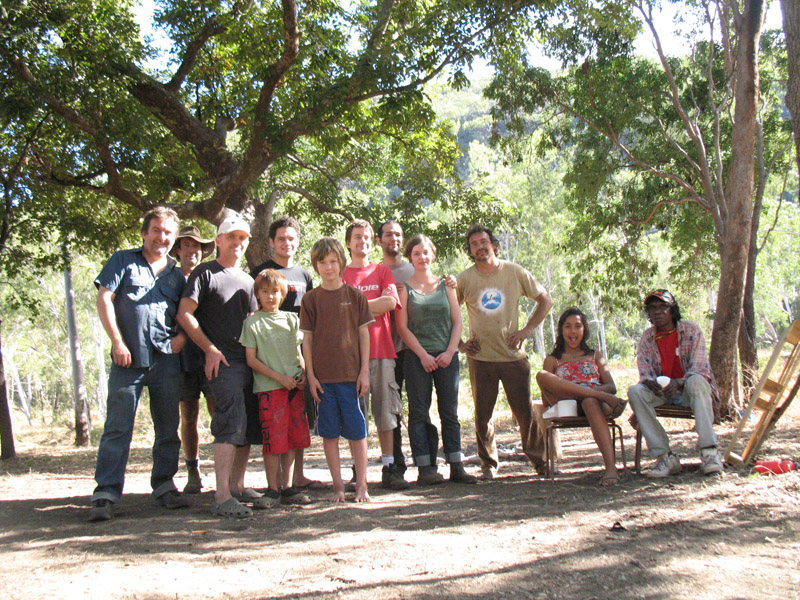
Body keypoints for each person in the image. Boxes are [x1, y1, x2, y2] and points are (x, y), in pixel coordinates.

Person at [89, 207, 188, 522]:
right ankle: (106, 492)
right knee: (118, 428)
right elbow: (105, 298)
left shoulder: (178, 275)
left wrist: (182, 339)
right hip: (128, 360)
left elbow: (189, 313)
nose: (162, 237)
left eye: (168, 233)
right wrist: (117, 342)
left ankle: (164, 486)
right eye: (156, 230)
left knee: (168, 428)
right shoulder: (123, 261)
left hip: (166, 362)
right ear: (144, 232)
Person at [177, 214, 263, 518]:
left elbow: (254, 322)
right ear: (218, 241)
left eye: (242, 238)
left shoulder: (249, 280)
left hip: (249, 362)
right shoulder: (204, 273)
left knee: (248, 425)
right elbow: (185, 315)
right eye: (231, 237)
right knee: (228, 423)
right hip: (222, 363)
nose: (237, 243)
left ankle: (238, 486)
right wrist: (210, 350)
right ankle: (222, 495)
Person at [456, 224, 553, 480]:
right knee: (482, 416)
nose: (480, 246)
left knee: (525, 414)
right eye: (474, 244)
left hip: (512, 357)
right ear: (470, 250)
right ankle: (488, 465)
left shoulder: (514, 272)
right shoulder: (465, 279)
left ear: (494, 244)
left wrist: (526, 330)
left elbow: (545, 300)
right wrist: (460, 344)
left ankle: (541, 462)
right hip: (480, 358)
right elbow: (447, 313)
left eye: (484, 241)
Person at [396, 235, 477, 485]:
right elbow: (402, 328)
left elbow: (457, 321)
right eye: (417, 253)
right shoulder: (403, 288)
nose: (422, 257)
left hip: (446, 357)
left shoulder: (447, 285)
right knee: (419, 413)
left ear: (433, 254)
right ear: (410, 257)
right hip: (417, 359)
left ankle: (456, 465)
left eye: (426, 252)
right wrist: (422, 355)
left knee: (449, 413)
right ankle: (425, 468)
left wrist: (451, 351)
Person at [249, 216, 323, 491]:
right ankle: (277, 483)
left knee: (299, 419)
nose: (286, 243)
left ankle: (298, 476)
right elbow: (251, 310)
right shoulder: (260, 273)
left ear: (298, 241)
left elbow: (310, 313)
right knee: (275, 424)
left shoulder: (304, 275)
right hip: (270, 358)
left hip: (299, 351)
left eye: (291, 238)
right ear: (271, 242)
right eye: (281, 238)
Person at [300, 237, 373, 502]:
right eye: (323, 262)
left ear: (341, 262)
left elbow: (364, 335)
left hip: (352, 378)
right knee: (328, 433)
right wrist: (311, 377)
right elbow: (307, 340)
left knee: (357, 432)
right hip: (323, 380)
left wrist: (364, 371)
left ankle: (362, 485)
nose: (329, 267)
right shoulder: (311, 299)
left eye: (333, 261)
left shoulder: (355, 296)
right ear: (316, 265)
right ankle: (338, 487)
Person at [342, 220, 409, 490]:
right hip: (349, 357)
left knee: (386, 413)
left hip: (382, 351)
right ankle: (358, 471)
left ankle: (390, 467)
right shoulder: (341, 274)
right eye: (357, 237)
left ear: (374, 242)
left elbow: (390, 303)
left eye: (367, 237)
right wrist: (371, 307)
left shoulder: (382, 272)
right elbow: (335, 312)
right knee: (357, 415)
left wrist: (351, 307)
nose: (363, 242)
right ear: (348, 243)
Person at [628, 289, 724, 477]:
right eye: (652, 308)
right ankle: (665, 457)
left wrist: (678, 382)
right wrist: (651, 384)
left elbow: (700, 368)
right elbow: (645, 373)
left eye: (663, 306)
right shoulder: (647, 338)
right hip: (662, 394)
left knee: (697, 380)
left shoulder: (691, 330)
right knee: (635, 391)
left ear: (672, 309)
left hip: (689, 392)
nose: (658, 312)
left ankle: (709, 452)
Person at [240, 269, 311, 506]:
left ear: (283, 294)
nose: (271, 296)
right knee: (273, 440)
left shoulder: (292, 319)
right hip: (269, 389)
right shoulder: (251, 323)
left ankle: (288, 487)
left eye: (275, 292)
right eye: (265, 291)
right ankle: (272, 488)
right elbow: (252, 359)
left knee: (292, 439)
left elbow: (298, 353)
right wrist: (279, 378)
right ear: (258, 294)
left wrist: (303, 374)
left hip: (294, 388)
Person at [535, 308, 627, 486]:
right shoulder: (553, 359)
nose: (573, 331)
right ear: (561, 330)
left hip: (597, 404)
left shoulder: (594, 355)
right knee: (541, 374)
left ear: (584, 330)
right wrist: (587, 391)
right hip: (567, 404)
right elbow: (547, 397)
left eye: (578, 326)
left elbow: (612, 386)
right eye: (568, 326)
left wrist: (595, 393)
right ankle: (593, 395)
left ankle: (611, 469)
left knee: (590, 402)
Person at [170, 225, 216, 494]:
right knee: (188, 416)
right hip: (182, 358)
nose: (192, 250)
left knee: (216, 412)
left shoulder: (209, 276)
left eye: (197, 246)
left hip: (209, 354)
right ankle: (193, 471)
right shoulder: (170, 278)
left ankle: (225, 471)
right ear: (178, 250)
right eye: (187, 245)